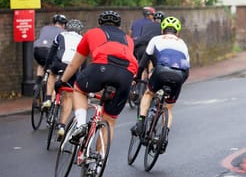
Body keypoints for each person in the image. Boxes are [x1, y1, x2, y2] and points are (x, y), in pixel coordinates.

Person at [56, 10, 138, 143]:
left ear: (99, 23)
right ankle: (99, 159)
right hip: (126, 74)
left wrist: (62, 81)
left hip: (102, 66)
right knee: (109, 121)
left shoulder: (92, 33)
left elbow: (74, 65)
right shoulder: (128, 39)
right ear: (119, 26)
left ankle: (81, 125)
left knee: (79, 89)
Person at [131, 16, 190, 153]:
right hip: (179, 75)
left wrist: (137, 77)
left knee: (148, 93)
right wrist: (179, 84)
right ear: (178, 32)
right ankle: (164, 137)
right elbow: (187, 69)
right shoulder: (183, 43)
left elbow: (143, 62)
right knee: (168, 108)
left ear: (162, 30)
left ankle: (140, 122)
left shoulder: (156, 39)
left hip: (161, 71)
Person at [44, 19, 84, 139]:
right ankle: (62, 126)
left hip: (59, 64)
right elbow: (84, 60)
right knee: (68, 96)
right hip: (72, 68)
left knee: (52, 74)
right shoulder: (82, 39)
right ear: (80, 31)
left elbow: (52, 52)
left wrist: (47, 66)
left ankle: (47, 99)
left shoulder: (60, 35)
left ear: (67, 28)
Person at [35, 14, 67, 104]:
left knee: (41, 64)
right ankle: (51, 100)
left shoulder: (45, 28)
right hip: (49, 51)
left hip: (37, 50)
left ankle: (37, 83)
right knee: (54, 74)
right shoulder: (63, 32)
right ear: (63, 24)